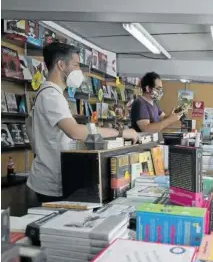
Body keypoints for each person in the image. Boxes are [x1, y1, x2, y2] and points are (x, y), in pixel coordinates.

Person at [26, 42, 138, 203]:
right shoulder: (50, 95)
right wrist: (120, 133)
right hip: (51, 183)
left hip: (55, 177)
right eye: (76, 65)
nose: (79, 71)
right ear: (61, 65)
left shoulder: (51, 94)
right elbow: (75, 132)